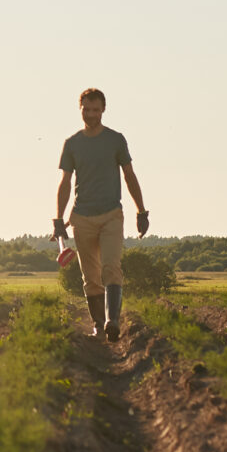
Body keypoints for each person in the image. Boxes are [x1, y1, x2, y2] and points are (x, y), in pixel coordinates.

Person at [54, 87, 148, 344]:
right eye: (87, 109)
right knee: (91, 277)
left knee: (111, 267)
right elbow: (65, 182)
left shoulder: (116, 140)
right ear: (80, 109)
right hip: (82, 217)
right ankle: (98, 325)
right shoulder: (72, 144)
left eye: (96, 110)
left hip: (111, 215)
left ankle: (112, 321)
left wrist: (141, 211)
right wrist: (58, 219)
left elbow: (129, 175)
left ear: (103, 110)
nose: (92, 114)